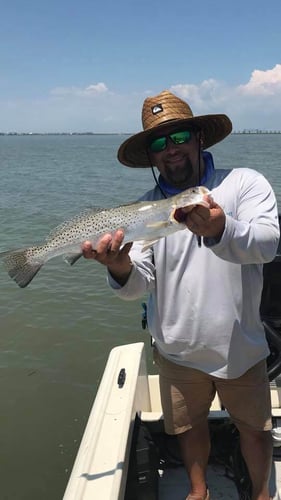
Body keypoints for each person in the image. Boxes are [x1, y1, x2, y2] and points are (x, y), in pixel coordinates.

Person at [82, 90, 280, 500]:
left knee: (256, 432)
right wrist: (119, 268)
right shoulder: (142, 214)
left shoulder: (242, 184)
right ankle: (197, 491)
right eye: (158, 144)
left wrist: (222, 230)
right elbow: (139, 283)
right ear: (150, 157)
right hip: (175, 350)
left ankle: (262, 495)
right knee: (188, 429)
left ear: (199, 139)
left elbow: (268, 243)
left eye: (178, 138)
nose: (170, 150)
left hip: (240, 348)